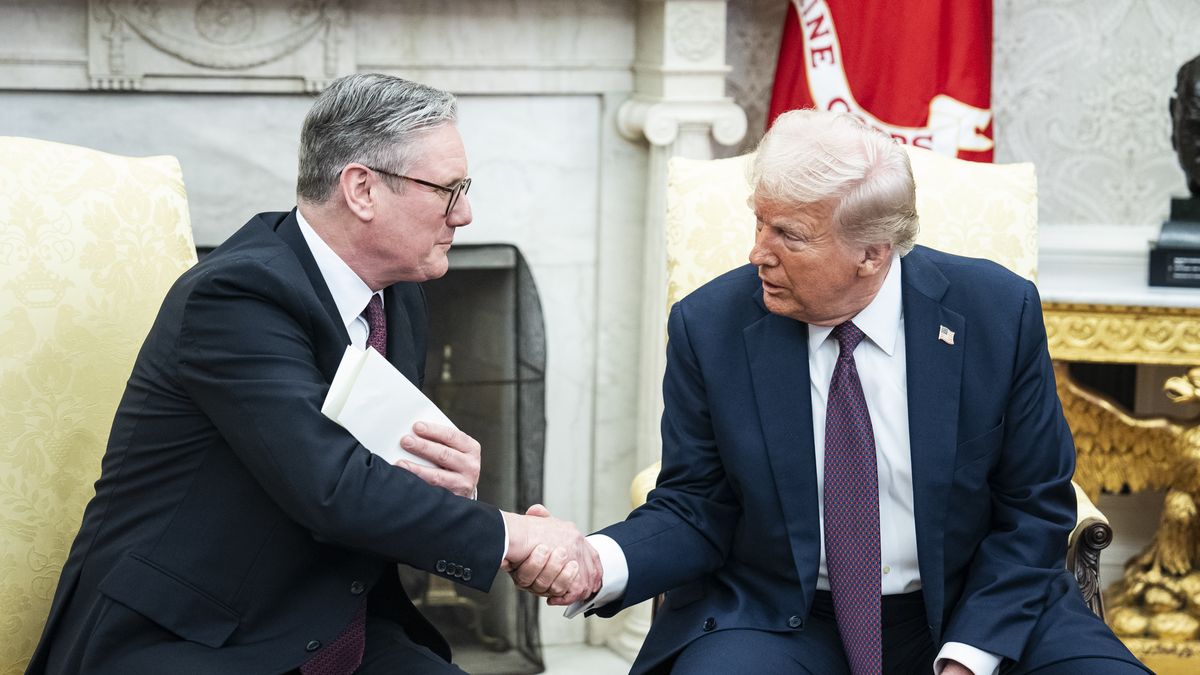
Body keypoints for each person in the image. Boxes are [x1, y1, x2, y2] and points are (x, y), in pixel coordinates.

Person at [513, 110, 1148, 674]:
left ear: (872, 253)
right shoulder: (711, 326)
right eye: (759, 224)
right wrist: (597, 561)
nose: (759, 253)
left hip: (979, 603)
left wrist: (968, 657)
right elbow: (695, 505)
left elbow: (1034, 506)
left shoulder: (995, 313)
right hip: (783, 612)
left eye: (789, 235)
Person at [26, 73, 598, 675]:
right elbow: (331, 487)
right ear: (362, 190)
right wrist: (511, 536)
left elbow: (369, 468)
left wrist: (447, 486)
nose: (466, 214)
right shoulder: (235, 295)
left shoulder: (398, 296)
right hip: (192, 636)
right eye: (449, 190)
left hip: (334, 622)